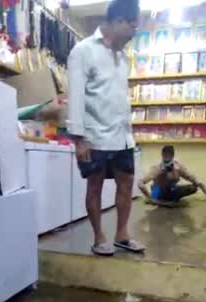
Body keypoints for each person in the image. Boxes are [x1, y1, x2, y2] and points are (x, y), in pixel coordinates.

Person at [67, 0, 143, 257]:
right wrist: (79, 139)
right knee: (95, 186)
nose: (134, 33)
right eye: (132, 27)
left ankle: (122, 234)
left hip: (122, 136)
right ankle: (99, 237)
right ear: (119, 21)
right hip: (94, 136)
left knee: (126, 182)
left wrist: (129, 133)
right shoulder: (83, 51)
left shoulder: (123, 59)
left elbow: (118, 97)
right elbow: (75, 96)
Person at [138, 145, 206, 205]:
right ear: (162, 155)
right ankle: (162, 201)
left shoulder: (178, 167)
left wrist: (202, 187)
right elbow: (140, 183)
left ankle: (172, 200)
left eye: (169, 157)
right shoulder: (157, 168)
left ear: (172, 156)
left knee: (193, 187)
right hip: (159, 192)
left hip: (172, 191)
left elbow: (197, 181)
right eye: (165, 158)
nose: (167, 161)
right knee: (157, 194)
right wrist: (149, 198)